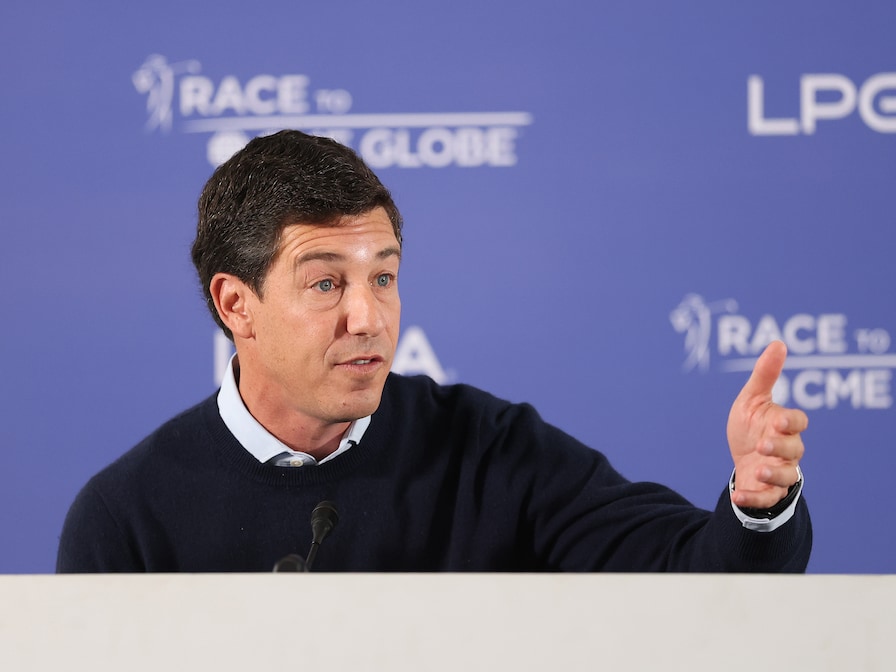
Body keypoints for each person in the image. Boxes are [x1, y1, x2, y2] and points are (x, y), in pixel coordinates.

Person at [57, 130, 811, 572]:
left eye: (383, 277)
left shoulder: (492, 451)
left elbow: (690, 575)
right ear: (236, 305)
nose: (368, 317)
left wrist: (758, 506)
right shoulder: (126, 517)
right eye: (326, 283)